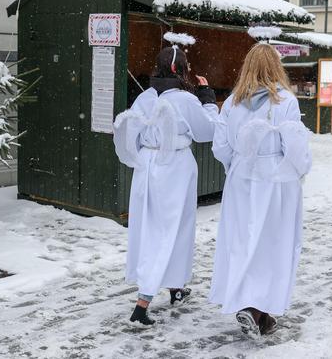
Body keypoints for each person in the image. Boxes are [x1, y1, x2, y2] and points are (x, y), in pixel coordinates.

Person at [209, 43, 312, 338]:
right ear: (276, 68)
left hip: (241, 181)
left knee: (243, 242)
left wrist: (238, 166)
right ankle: (259, 308)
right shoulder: (285, 102)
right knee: (273, 245)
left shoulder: (231, 103)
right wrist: (299, 169)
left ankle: (250, 304)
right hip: (275, 183)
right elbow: (293, 146)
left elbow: (220, 147)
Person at [113, 42, 218, 326]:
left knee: (153, 228)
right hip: (174, 168)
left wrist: (148, 153)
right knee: (170, 231)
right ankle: (142, 302)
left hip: (147, 168)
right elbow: (207, 131)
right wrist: (208, 98)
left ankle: (176, 288)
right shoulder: (185, 99)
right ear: (179, 69)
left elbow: (130, 135)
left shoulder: (145, 97)